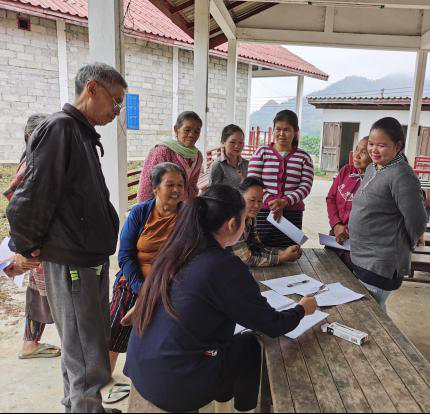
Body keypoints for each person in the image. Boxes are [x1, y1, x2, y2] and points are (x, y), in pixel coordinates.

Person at [124, 184, 317, 413]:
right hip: (173, 386)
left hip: (141, 368)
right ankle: (243, 409)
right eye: (244, 220)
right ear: (232, 224)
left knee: (229, 344)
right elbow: (272, 325)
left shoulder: (177, 248)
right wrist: (302, 309)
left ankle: (222, 406)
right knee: (248, 348)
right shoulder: (224, 266)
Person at [7, 62, 128, 413]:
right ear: (92, 89)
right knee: (88, 353)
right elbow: (30, 199)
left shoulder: (80, 132)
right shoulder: (60, 129)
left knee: (81, 348)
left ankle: (79, 406)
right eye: (115, 100)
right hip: (73, 263)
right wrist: (26, 248)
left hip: (85, 260)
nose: (117, 110)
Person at [108, 163, 186, 376]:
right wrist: (141, 289)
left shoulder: (188, 217)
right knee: (116, 324)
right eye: (170, 185)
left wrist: (159, 288)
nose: (176, 190)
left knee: (158, 332)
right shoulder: (140, 213)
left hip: (168, 284)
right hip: (133, 280)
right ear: (155, 188)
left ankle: (145, 376)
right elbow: (125, 255)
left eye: (180, 185)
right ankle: (104, 376)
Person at [349, 117, 427, 312]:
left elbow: (417, 219)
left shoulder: (402, 175)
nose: (373, 150)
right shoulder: (372, 168)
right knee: (374, 315)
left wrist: (404, 244)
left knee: (368, 315)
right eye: (372, 144)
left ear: (398, 145)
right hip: (362, 257)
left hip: (381, 262)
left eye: (381, 145)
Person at [3, 114, 61, 360]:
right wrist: (23, 249)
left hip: (37, 244)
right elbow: (18, 207)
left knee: (40, 293)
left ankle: (31, 342)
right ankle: (35, 343)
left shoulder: (36, 158)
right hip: (39, 245)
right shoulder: (35, 162)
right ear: (31, 136)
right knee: (54, 295)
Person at [248, 110, 314, 248]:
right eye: (278, 129)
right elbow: (253, 182)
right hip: (263, 212)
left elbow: (305, 187)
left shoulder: (304, 158)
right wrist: (273, 203)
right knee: (259, 249)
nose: (282, 134)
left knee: (289, 252)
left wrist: (285, 202)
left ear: (295, 131)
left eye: (287, 130)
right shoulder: (261, 153)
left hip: (292, 214)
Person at [232, 177, 302, 267]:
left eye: (260, 201)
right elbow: (246, 259)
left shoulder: (250, 218)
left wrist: (283, 252)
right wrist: (282, 258)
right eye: (252, 200)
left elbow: (257, 246)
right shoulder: (234, 221)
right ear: (239, 198)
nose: (257, 205)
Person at [325, 137, 372, 270]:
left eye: (363, 152)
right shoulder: (346, 170)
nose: (356, 155)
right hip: (336, 236)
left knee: (351, 282)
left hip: (357, 243)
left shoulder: (375, 180)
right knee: (328, 271)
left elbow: (370, 213)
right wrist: (336, 225)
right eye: (356, 149)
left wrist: (347, 230)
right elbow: (331, 198)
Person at [137, 112, 203, 202]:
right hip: (162, 209)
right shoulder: (161, 152)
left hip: (185, 209)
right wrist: (146, 212)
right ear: (176, 129)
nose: (192, 135)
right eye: (187, 130)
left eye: (196, 131)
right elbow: (146, 188)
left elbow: (192, 185)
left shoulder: (198, 156)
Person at [209, 124, 249, 189]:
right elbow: (213, 193)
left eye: (241, 142)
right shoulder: (218, 165)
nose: (237, 146)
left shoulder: (247, 164)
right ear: (223, 142)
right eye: (233, 142)